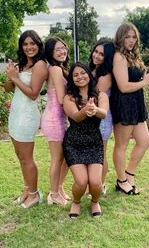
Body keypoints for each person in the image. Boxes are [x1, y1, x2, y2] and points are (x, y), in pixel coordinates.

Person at [110, 22, 149, 195]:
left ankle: (128, 174)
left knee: (144, 141)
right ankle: (121, 181)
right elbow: (122, 86)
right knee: (121, 145)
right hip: (124, 103)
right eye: (127, 37)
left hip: (136, 103)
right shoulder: (119, 57)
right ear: (120, 38)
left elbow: (137, 80)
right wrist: (144, 82)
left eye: (133, 36)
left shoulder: (132, 55)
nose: (131, 40)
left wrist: (147, 78)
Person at [4, 30, 48, 208]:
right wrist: (10, 76)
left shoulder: (40, 66)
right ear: (21, 47)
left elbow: (33, 94)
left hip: (27, 116)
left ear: (38, 45)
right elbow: (8, 89)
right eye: (25, 44)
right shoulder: (20, 65)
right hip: (15, 113)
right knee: (20, 156)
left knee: (27, 157)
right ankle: (27, 189)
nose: (29, 47)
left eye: (32, 43)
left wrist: (16, 78)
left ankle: (34, 193)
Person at [63, 62, 109, 218]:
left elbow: (103, 113)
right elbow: (76, 117)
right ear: (72, 79)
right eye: (75, 75)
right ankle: (76, 202)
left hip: (94, 143)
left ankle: (95, 201)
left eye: (83, 73)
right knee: (81, 182)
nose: (80, 77)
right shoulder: (69, 97)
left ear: (89, 75)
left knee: (95, 183)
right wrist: (85, 109)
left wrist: (95, 109)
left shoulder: (100, 95)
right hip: (74, 143)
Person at [40, 37, 70, 205]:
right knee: (57, 159)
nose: (62, 51)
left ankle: (59, 187)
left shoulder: (60, 69)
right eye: (57, 49)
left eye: (63, 48)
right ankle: (53, 193)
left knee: (66, 157)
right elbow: (60, 98)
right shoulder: (55, 70)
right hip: (54, 119)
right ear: (51, 52)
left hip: (60, 118)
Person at [89, 41, 116, 195]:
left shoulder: (105, 75)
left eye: (101, 54)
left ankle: (101, 184)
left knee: (100, 153)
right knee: (94, 153)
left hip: (102, 119)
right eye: (96, 51)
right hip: (94, 117)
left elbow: (96, 96)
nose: (97, 56)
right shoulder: (94, 70)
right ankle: (94, 184)